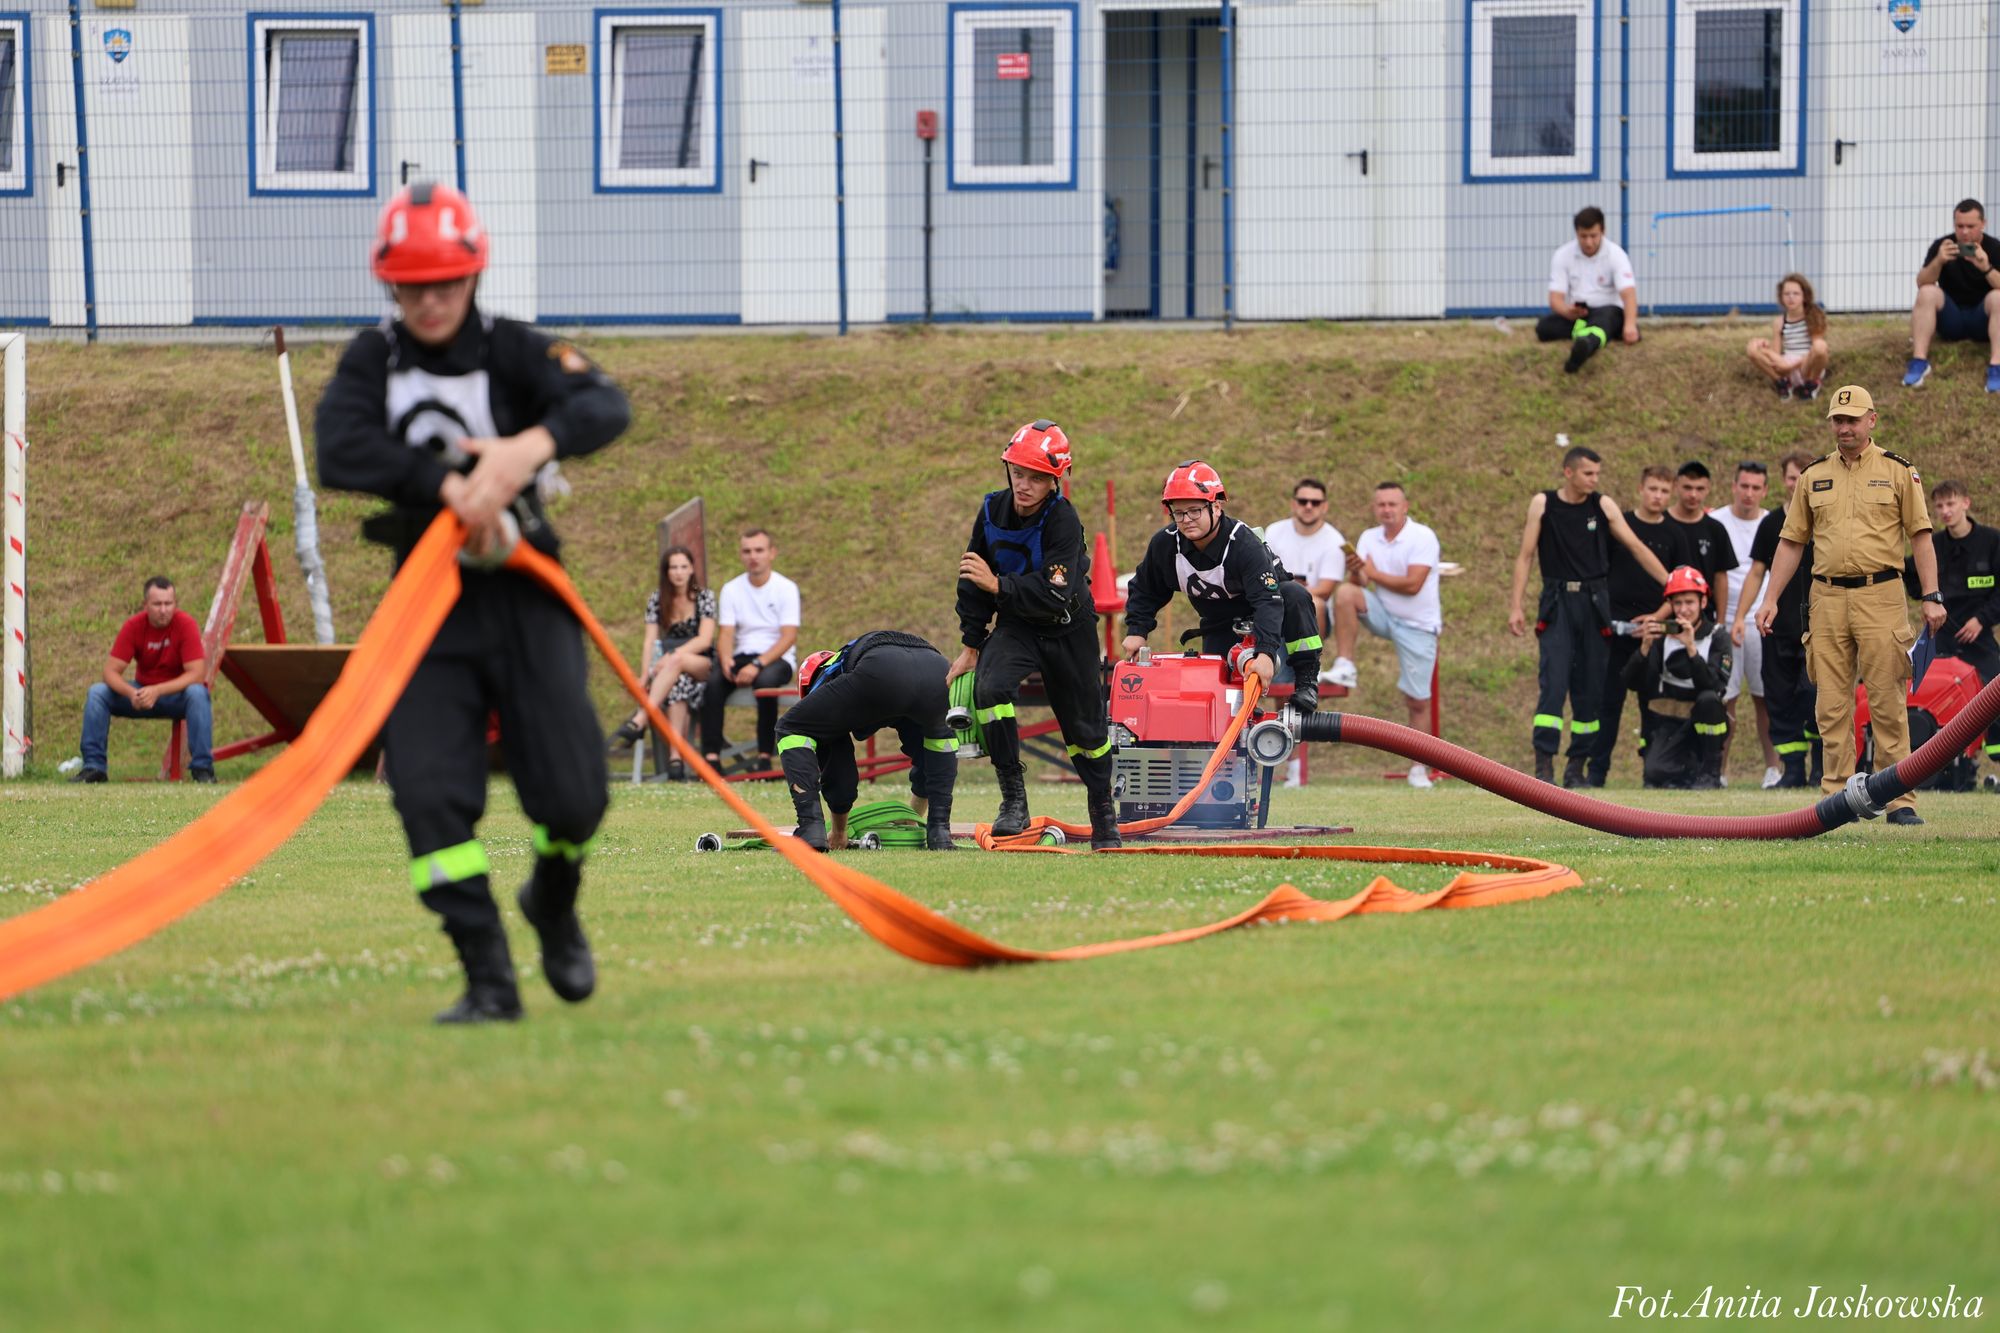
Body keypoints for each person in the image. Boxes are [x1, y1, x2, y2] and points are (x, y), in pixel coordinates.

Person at [315, 182, 631, 1023]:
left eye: (445, 283)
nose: (429, 301)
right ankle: (488, 975)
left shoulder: (517, 350)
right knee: (428, 795)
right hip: (427, 608)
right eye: (412, 285)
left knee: (573, 797)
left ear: (473, 275)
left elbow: (605, 404)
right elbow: (339, 447)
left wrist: (525, 450)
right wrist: (453, 487)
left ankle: (553, 901)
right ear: (390, 284)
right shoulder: (371, 361)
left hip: (526, 597)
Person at [1756, 385, 1947, 826]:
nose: (1844, 427)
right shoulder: (1813, 475)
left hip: (1881, 594)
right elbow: (1790, 542)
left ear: (1871, 420)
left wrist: (1932, 596)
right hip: (1826, 598)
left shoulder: (1899, 471)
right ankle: (1835, 799)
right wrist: (1770, 598)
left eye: (1853, 420)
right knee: (1831, 702)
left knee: (1886, 699)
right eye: (1838, 420)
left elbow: (1920, 535)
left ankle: (1899, 799)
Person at [950, 420, 1121, 851]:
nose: (1024, 485)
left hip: (1069, 628)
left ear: (1055, 480)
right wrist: (972, 644)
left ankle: (1103, 815)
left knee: (1087, 734)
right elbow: (973, 579)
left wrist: (999, 586)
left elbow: (1055, 595)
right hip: (1018, 626)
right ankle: (1013, 799)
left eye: (1037, 477)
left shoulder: (1062, 518)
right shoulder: (990, 511)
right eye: (1017, 473)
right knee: (990, 690)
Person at [1507, 444, 1672, 786]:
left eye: (1597, 474)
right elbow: (1525, 557)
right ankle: (1543, 768)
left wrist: (1672, 584)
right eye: (1588, 474)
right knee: (1553, 684)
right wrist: (1516, 606)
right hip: (1557, 604)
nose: (1595, 480)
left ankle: (1575, 769)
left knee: (1590, 689)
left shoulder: (1603, 505)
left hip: (1595, 604)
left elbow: (1637, 547)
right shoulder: (1543, 503)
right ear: (1569, 473)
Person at [1122, 459, 1325, 715]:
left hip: (1270, 610)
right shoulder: (1165, 544)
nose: (1186, 520)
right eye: (1178, 512)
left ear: (1216, 506)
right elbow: (1145, 588)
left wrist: (1264, 653)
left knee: (1294, 594)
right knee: (1218, 705)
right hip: (1219, 623)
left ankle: (1307, 681)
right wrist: (1137, 630)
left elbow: (1267, 601)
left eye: (1195, 510)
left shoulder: (1243, 545)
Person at [776, 631, 959, 853]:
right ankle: (940, 833)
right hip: (938, 669)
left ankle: (809, 829)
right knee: (938, 743)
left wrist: (839, 832)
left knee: (791, 727)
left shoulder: (825, 678)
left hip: (883, 669)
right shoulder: (852, 667)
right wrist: (911, 820)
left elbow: (838, 767)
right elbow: (927, 759)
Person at [1328, 481, 1441, 788]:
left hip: (1417, 624)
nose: (1387, 510)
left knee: (1417, 701)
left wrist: (1371, 572)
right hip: (1384, 613)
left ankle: (1419, 768)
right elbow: (1360, 582)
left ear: (1405, 507)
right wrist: (1356, 569)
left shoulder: (1422, 537)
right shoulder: (1368, 536)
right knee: (1346, 593)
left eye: (1393, 504)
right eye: (1381, 505)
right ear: (1374, 508)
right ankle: (1345, 664)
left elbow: (1413, 584)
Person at [1587, 465, 1690, 787]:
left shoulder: (1675, 534)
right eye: (1652, 489)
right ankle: (1595, 773)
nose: (1657, 496)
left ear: (1670, 493)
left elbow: (1682, 589)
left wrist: (1657, 618)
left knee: (1652, 707)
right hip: (1615, 634)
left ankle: (1653, 773)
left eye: (1663, 491)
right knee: (1608, 703)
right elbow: (1599, 573)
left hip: (1654, 635)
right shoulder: (1621, 527)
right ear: (1640, 489)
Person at [1731, 450, 1821, 789]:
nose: (1796, 484)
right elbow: (1756, 573)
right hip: (1777, 630)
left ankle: (1822, 768)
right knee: (1779, 700)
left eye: (1803, 477)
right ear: (1783, 481)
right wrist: (1740, 617)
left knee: (1814, 697)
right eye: (1791, 478)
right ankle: (1793, 770)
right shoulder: (1772, 524)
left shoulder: (1827, 522)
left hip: (1819, 629)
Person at [71, 576, 213, 784]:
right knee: (97, 692)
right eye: (157, 604)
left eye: (168, 603)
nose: (163, 610)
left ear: (175, 604)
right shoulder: (134, 625)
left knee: (198, 693)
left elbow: (196, 674)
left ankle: (203, 770)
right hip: (139, 693)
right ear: (145, 605)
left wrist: (157, 690)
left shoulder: (186, 624)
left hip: (175, 696)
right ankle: (94, 768)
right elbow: (110, 671)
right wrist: (132, 694)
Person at [1905, 479, 2000, 777]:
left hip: (1978, 636)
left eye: (1951, 504)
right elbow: (1909, 574)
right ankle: (1939, 768)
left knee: (1995, 696)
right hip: (1939, 637)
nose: (1945, 511)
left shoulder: (1992, 542)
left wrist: (1982, 619)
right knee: (1915, 690)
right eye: (1940, 506)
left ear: (1966, 504)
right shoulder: (1932, 546)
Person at [699, 528, 800, 772]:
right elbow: (726, 634)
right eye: (747, 551)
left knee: (765, 683)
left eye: (759, 550)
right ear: (741, 555)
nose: (753, 556)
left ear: (771, 553)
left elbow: (788, 636)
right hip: (742, 655)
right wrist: (725, 662)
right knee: (712, 683)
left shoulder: (786, 588)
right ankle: (711, 759)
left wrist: (757, 665)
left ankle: (764, 757)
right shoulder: (731, 589)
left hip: (777, 658)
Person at [1623, 567, 1733, 789]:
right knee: (1654, 774)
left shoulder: (1717, 636)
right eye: (1678, 603)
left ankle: (1711, 774)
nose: (1683, 610)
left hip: (1705, 723)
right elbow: (1631, 683)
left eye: (1689, 602)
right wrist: (1644, 649)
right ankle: (1685, 772)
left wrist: (1691, 648)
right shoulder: (1661, 637)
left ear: (1703, 602)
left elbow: (1715, 685)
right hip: (1671, 725)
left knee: (1709, 700)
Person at [1710, 462, 1780, 786]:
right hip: (1724, 622)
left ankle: (1773, 769)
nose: (1749, 493)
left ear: (1765, 491)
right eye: (1744, 486)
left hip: (1762, 621)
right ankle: (1719, 770)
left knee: (1766, 698)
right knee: (1726, 699)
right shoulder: (1716, 521)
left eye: (1756, 487)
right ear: (1734, 486)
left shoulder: (1771, 523)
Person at [608, 545, 715, 758]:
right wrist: (644, 675)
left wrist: (673, 655)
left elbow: (704, 639)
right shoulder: (657, 599)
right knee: (677, 685)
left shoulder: (704, 597)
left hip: (701, 663)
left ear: (692, 569)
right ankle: (676, 760)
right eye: (673, 567)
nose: (678, 572)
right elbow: (650, 640)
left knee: (678, 662)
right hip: (671, 669)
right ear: (666, 571)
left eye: (683, 566)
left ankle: (640, 720)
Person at [1903, 198, 2000, 392]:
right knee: (1927, 292)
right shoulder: (1943, 245)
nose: (1964, 232)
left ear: (1983, 224)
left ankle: (1996, 366)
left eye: (1971, 226)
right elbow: (1921, 282)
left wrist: (1986, 268)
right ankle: (1919, 361)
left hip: (1983, 320)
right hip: (1951, 319)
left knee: (1998, 296)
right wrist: (1939, 261)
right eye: (1960, 226)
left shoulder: (1995, 247)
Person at [1538, 205, 1639, 374]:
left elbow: (1628, 294)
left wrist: (1630, 326)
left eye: (1593, 236)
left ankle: (1586, 345)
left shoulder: (1616, 255)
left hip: (1608, 310)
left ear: (1603, 231)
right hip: (1580, 315)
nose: (1588, 242)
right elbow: (1555, 298)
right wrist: (1567, 311)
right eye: (1583, 236)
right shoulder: (1562, 255)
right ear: (1576, 233)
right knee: (1543, 328)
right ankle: (1594, 334)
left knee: (1607, 318)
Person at [1261, 478, 1345, 643]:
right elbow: (1262, 571)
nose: (1308, 506)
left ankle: (1313, 664)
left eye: (1315, 502)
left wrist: (1291, 597)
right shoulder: (1273, 531)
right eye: (1303, 501)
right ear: (1293, 504)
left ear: (1325, 507)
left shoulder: (1335, 541)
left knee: (1316, 603)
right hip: (1274, 599)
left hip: (1309, 606)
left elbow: (1325, 590)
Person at [1667, 462, 1736, 627]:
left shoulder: (1715, 529)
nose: (1693, 494)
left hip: (1703, 618)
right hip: (1667, 617)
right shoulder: (1661, 524)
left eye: (1699, 489)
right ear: (1676, 486)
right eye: (1687, 487)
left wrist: (1720, 623)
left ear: (1708, 489)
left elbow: (1721, 578)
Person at [1745, 273, 1831, 400]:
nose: (1791, 298)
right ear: (1781, 297)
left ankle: (1811, 384)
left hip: (1806, 365)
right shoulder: (1779, 322)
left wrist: (1790, 367)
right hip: (1786, 366)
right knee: (1752, 348)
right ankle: (1782, 383)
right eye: (1787, 294)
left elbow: (1818, 351)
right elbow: (1776, 353)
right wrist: (1764, 345)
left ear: (1804, 296)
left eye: (1796, 294)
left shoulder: (1813, 316)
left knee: (1820, 345)